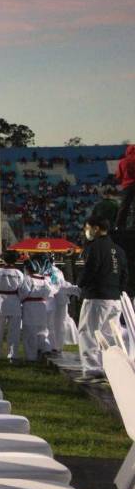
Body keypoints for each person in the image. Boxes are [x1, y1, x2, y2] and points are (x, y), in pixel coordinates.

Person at [78, 215, 130, 376]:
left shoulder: (94, 247)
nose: (86, 231)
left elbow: (91, 269)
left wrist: (81, 284)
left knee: (88, 332)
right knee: (109, 335)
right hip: (115, 299)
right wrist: (117, 290)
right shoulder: (118, 249)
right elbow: (125, 274)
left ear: (96, 228)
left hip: (97, 297)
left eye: (87, 228)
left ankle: (93, 368)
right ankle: (110, 367)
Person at [0, 250, 25, 361]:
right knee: (14, 330)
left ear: (3, 259)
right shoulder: (19, 274)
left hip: (0, 300)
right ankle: (12, 355)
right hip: (15, 301)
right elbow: (22, 290)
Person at [17, 255, 55, 361]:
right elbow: (48, 293)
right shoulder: (44, 280)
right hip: (42, 306)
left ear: (27, 269)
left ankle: (31, 356)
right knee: (42, 330)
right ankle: (45, 349)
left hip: (30, 307)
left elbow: (22, 293)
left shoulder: (28, 279)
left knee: (30, 332)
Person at [116, 145, 135, 232]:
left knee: (124, 206)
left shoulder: (122, 162)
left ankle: (119, 225)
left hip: (127, 186)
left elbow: (119, 176)